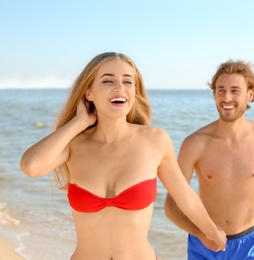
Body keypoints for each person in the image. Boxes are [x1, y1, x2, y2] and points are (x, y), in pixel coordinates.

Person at [20, 52, 226, 260]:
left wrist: (211, 231)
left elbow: (186, 197)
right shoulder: (74, 144)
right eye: (108, 80)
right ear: (89, 92)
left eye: (128, 81)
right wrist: (79, 123)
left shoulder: (155, 140)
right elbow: (31, 166)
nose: (120, 88)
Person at [164, 60, 254, 259]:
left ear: (250, 95)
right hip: (205, 243)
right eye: (221, 90)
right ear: (214, 94)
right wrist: (201, 233)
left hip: (251, 242)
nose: (227, 97)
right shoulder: (194, 143)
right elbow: (171, 205)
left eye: (235, 90)